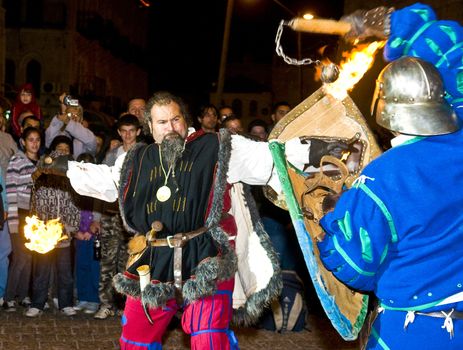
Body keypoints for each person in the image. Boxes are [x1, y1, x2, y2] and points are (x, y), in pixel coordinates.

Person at [37, 91, 346, 349]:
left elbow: (268, 157)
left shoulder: (218, 147)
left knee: (207, 337)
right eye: (161, 122)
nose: (170, 127)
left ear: (185, 120)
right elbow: (107, 181)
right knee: (135, 338)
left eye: (175, 119)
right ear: (150, 127)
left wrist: (320, 152)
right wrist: (61, 166)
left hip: (206, 256)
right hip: (155, 259)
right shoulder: (138, 159)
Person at [318, 3, 463, 348]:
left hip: (411, 333)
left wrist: (330, 218)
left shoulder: (384, 176)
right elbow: (455, 57)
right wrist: (396, 25)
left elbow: (356, 265)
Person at [26, 135, 80, 318]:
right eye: (59, 149)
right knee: (41, 270)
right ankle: (37, 303)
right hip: (44, 230)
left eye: (66, 150)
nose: (62, 152)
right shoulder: (44, 169)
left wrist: (72, 226)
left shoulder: (72, 174)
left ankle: (65, 303)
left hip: (64, 231)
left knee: (65, 271)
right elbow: (35, 198)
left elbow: (75, 203)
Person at [93, 114, 140, 320]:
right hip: (111, 215)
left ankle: (126, 306)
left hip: (135, 218)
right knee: (107, 261)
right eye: (124, 131)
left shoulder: (145, 154)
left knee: (130, 263)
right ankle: (106, 304)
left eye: (132, 131)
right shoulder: (112, 154)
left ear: (138, 131)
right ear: (119, 133)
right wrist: (96, 215)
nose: (128, 135)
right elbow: (99, 186)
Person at [4, 127, 41, 311]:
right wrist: (13, 221)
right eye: (31, 140)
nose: (34, 143)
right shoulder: (17, 162)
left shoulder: (41, 164)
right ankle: (9, 297)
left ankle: (24, 294)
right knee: (21, 257)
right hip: (20, 215)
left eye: (37, 140)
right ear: (23, 142)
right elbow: (11, 191)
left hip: (35, 217)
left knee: (30, 257)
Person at [45, 94, 97, 158]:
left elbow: (91, 142)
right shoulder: (60, 133)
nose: (73, 117)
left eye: (77, 115)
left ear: (81, 118)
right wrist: (61, 116)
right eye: (70, 114)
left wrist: (69, 123)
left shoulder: (86, 134)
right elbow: (48, 141)